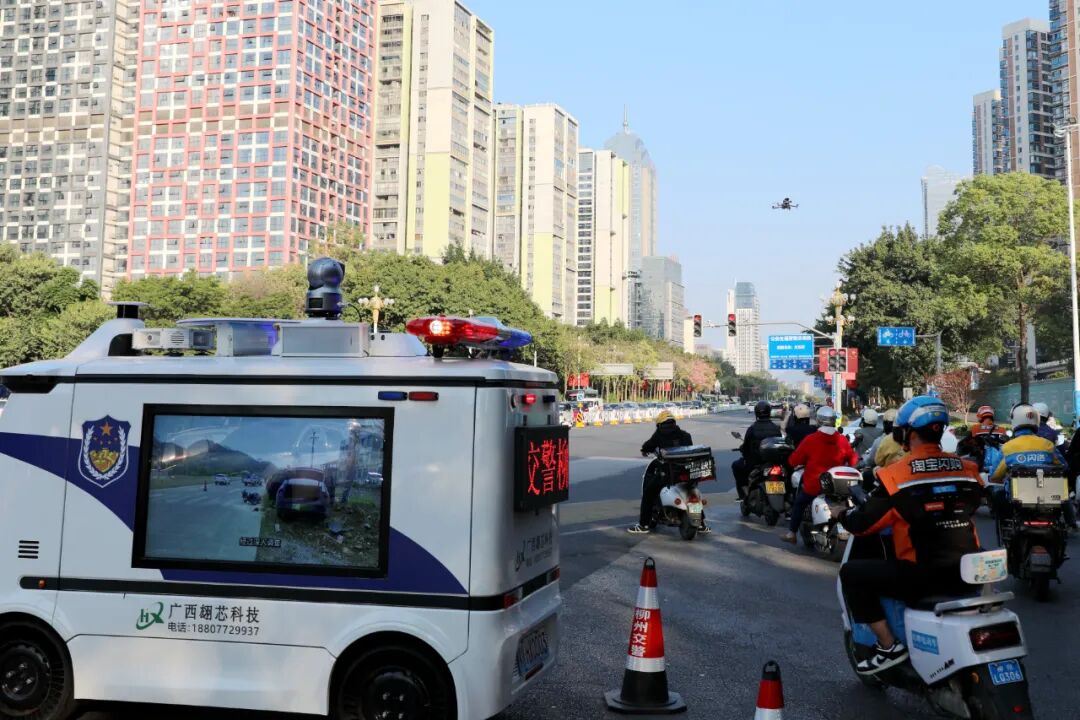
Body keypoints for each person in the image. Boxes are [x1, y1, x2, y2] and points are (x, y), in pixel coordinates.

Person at [838, 395, 985, 674]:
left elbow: (863, 525)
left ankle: (888, 646)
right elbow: (972, 505)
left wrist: (841, 515)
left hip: (923, 575)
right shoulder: (968, 469)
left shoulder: (896, 476)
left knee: (851, 574)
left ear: (909, 433)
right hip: (969, 571)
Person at [781, 406, 859, 544]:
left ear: (818, 421)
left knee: (799, 503)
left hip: (815, 485)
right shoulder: (842, 440)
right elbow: (853, 459)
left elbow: (794, 460)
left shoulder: (811, 439)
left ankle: (792, 533)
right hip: (838, 486)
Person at [990, 404, 1071, 526]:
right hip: (1049, 497)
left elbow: (994, 476)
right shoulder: (1047, 445)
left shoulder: (1007, 448)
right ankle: (1070, 523)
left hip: (1018, 500)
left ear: (1015, 422)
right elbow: (1064, 467)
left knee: (998, 495)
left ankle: (1006, 525)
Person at [628, 411, 695, 534]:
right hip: (687, 472)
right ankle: (701, 524)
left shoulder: (659, 434)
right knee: (692, 492)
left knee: (648, 493)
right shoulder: (685, 435)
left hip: (668, 473)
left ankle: (643, 525)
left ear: (659, 424)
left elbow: (648, 446)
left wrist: (644, 449)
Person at [732, 401, 783, 500]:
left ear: (756, 413)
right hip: (773, 462)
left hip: (755, 463)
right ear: (769, 412)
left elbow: (746, 446)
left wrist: (743, 449)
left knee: (736, 465)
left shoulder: (752, 429)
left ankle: (744, 495)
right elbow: (779, 443)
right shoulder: (776, 428)